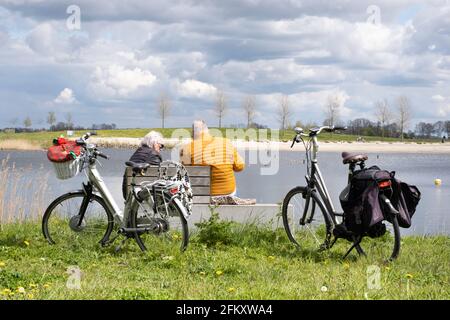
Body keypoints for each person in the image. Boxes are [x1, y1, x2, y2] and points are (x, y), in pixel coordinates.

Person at [180, 120, 245, 196]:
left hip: (202, 194)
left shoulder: (186, 148)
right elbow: (240, 167)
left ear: (193, 133)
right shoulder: (226, 142)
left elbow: (183, 173)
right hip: (228, 193)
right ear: (207, 130)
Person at [122, 131, 164, 199]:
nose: (161, 149)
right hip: (146, 196)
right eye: (161, 146)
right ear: (155, 143)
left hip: (128, 193)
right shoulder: (155, 155)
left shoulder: (137, 152)